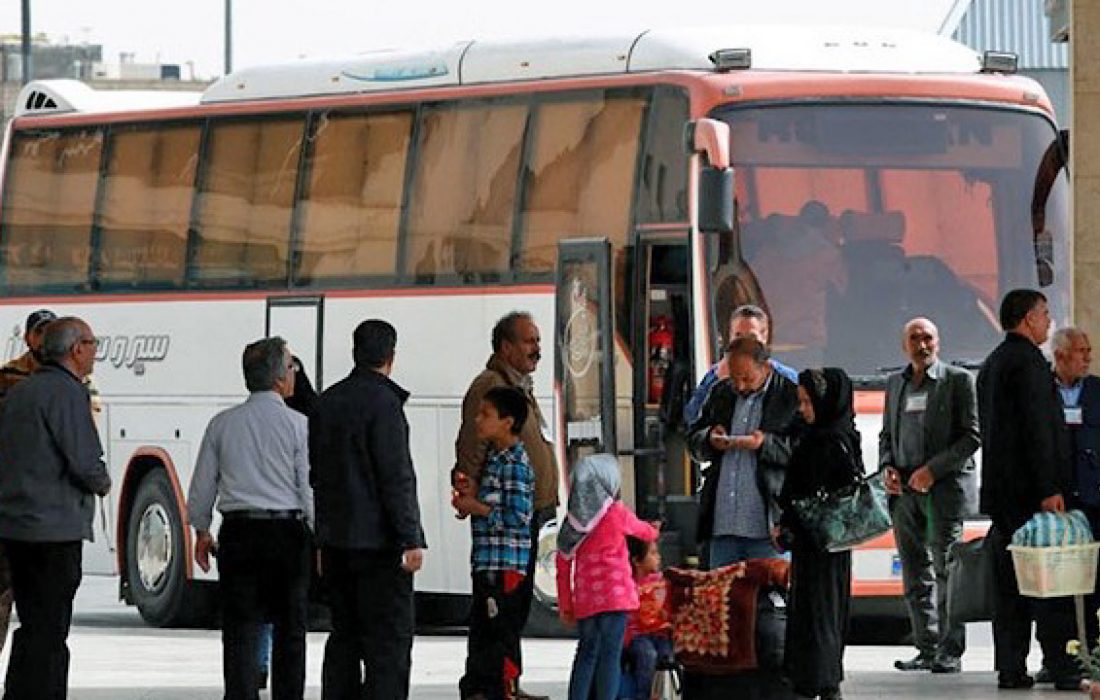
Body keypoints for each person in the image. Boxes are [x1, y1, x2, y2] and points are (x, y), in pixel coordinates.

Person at [187, 337, 314, 700]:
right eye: (292, 367)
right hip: (286, 533)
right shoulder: (298, 426)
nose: (294, 374)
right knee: (290, 629)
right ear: (279, 378)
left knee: (241, 629)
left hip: (239, 533)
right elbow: (307, 489)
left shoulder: (222, 424)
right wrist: (318, 534)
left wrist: (201, 531)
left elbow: (201, 487)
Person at [311, 319, 426, 700]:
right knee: (388, 645)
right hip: (381, 547)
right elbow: (395, 477)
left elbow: (317, 475)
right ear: (391, 357)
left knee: (344, 635)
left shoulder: (326, 402)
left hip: (337, 542)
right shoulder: (386, 405)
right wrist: (410, 538)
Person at [0, 316, 111, 700]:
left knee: (31, 625)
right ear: (76, 348)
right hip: (54, 530)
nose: (96, 351)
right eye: (93, 343)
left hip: (16, 527)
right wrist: (103, 482)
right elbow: (83, 459)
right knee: (51, 630)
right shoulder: (67, 394)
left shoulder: (20, 392)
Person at [454, 311, 559, 700]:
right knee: (496, 611)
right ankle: (488, 686)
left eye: (537, 341)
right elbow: (470, 448)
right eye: (529, 341)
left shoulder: (518, 387)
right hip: (503, 530)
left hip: (524, 521)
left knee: (510, 611)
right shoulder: (491, 387)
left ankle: (506, 683)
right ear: (506, 347)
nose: (537, 348)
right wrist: (467, 493)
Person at [977, 289, 1077, 690]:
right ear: (1026, 318)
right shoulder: (1029, 364)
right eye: (1044, 313)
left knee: (1008, 587)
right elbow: (1038, 431)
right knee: (1048, 582)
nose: (1049, 322)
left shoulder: (992, 363)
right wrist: (1049, 487)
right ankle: (1059, 662)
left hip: (1001, 495)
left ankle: (1011, 665)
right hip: (1031, 498)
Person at [879, 318, 979, 674]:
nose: (922, 344)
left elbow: (971, 437)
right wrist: (888, 467)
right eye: (914, 338)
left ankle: (950, 651)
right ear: (904, 345)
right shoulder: (895, 383)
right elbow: (886, 436)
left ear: (939, 341)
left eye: (928, 338)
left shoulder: (958, 381)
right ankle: (926, 646)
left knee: (946, 570)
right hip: (904, 493)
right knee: (914, 572)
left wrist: (932, 470)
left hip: (942, 491)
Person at [777, 368, 862, 700]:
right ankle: (824, 680)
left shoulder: (824, 442)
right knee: (824, 612)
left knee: (816, 614)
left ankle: (818, 680)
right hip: (831, 544)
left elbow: (803, 492)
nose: (802, 409)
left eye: (808, 402)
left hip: (817, 543)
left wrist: (787, 524)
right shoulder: (842, 435)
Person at [687, 337, 799, 567]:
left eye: (747, 378)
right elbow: (693, 441)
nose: (739, 386)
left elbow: (802, 451)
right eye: (734, 378)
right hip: (723, 525)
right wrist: (709, 438)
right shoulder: (721, 393)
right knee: (721, 598)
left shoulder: (789, 395)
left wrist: (765, 444)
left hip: (768, 528)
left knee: (769, 598)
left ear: (766, 367)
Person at [555, 454, 659, 700]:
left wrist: (566, 604)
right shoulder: (616, 512)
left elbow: (562, 563)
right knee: (610, 656)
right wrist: (654, 529)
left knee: (587, 652)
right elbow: (643, 532)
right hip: (615, 599)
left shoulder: (572, 524)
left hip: (586, 602)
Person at [454, 386, 534, 700]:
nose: (478, 420)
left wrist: (478, 508)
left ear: (508, 422)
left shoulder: (514, 463)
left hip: (504, 566)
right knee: (483, 633)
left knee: (498, 634)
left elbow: (518, 517)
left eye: (486, 415)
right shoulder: (496, 458)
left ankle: (498, 690)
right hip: (487, 562)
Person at [258, 354, 320, 691]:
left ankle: (258, 664)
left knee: (256, 610)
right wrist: (316, 528)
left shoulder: (236, 421)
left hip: (247, 527)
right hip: (290, 527)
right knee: (288, 616)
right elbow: (306, 483)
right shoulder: (305, 422)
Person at [0, 307, 56, 662]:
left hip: (48, 509)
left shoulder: (74, 381)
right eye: (41, 332)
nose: (45, 339)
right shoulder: (7, 378)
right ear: (29, 338)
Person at [1052, 327, 1100, 644]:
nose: (1088, 357)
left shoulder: (1097, 390)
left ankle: (1092, 652)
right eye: (1081, 351)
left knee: (1094, 580)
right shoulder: (1041, 389)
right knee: (1057, 583)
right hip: (1057, 500)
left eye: (1088, 350)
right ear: (1060, 356)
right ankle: (1058, 654)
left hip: (1094, 498)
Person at [683, 305, 798, 426]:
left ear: (764, 337)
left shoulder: (787, 379)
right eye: (738, 336)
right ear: (730, 336)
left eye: (751, 337)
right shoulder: (716, 374)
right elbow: (692, 418)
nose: (744, 343)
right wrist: (717, 384)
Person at [623, 537, 672, 700]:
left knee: (667, 657)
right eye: (652, 553)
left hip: (660, 634)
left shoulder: (661, 581)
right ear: (637, 561)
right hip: (638, 635)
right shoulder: (629, 585)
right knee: (647, 655)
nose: (658, 557)